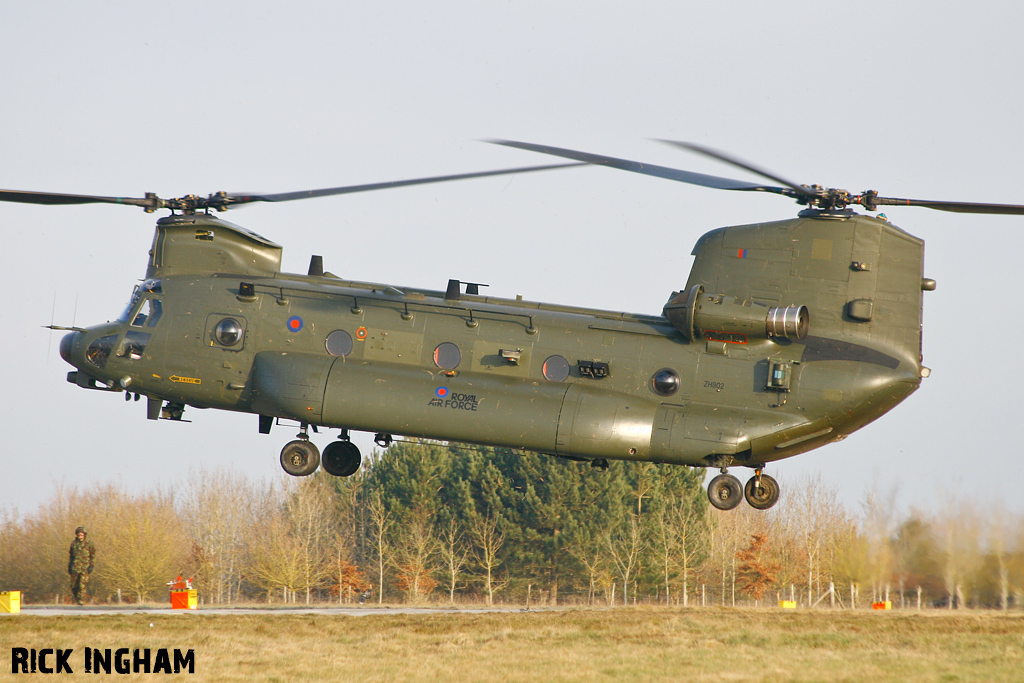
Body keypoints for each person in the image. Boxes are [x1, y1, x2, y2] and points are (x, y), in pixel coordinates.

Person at [68, 526, 96, 605]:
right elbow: (71, 556)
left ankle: (81, 602)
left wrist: (91, 565)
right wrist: (69, 566)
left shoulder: (89, 544)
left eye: (82, 534)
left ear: (84, 535)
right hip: (75, 568)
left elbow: (92, 555)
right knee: (73, 586)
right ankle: (77, 600)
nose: (80, 535)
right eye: (79, 534)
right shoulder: (73, 544)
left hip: (85, 568)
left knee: (82, 586)